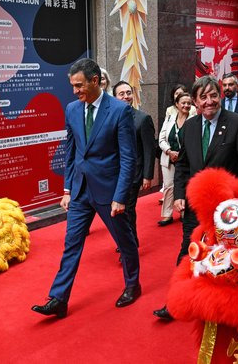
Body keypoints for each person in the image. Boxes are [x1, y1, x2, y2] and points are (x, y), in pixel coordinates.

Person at [32, 58, 141, 318]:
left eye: (79, 85)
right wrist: (67, 189)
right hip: (80, 190)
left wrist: (120, 196)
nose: (75, 91)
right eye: (72, 86)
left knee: (124, 241)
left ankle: (132, 284)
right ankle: (58, 298)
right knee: (71, 243)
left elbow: (128, 158)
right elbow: (71, 153)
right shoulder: (71, 109)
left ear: (95, 81)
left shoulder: (119, 110)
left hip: (109, 192)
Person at [153, 75, 238, 320]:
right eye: (204, 97)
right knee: (188, 250)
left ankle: (223, 305)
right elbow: (183, 166)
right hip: (194, 205)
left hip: (228, 209)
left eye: (213, 95)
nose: (209, 101)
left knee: (225, 254)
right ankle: (176, 301)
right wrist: (179, 195)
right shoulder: (189, 127)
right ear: (195, 102)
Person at [113, 80, 156, 244]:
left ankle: (130, 242)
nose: (126, 96)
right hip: (114, 172)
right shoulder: (110, 118)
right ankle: (125, 240)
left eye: (128, 93)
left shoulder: (142, 119)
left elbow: (149, 149)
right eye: (121, 94)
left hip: (133, 173)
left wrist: (147, 175)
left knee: (128, 209)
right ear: (115, 97)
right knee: (118, 209)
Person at [158, 92, 194, 226]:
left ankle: (184, 213)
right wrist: (169, 151)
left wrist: (182, 154)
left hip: (186, 160)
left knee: (185, 186)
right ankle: (167, 215)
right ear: (177, 104)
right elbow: (161, 139)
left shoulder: (194, 119)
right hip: (168, 158)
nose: (186, 105)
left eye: (189, 103)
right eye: (183, 103)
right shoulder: (169, 118)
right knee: (168, 186)